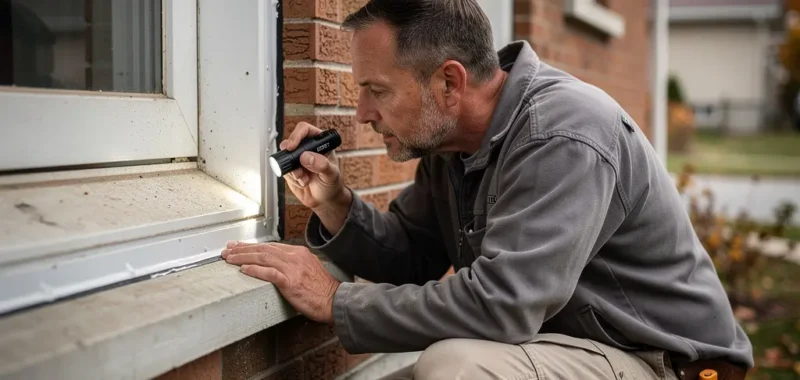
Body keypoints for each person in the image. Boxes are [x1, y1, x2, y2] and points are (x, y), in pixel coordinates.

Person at [221, 0, 754, 378]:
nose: (361, 114)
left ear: (449, 83)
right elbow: (412, 255)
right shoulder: (456, 143)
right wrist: (334, 204)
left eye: (376, 90)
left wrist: (337, 302)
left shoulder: (562, 134)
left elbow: (503, 306)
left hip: (667, 363)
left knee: (456, 369)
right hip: (575, 349)